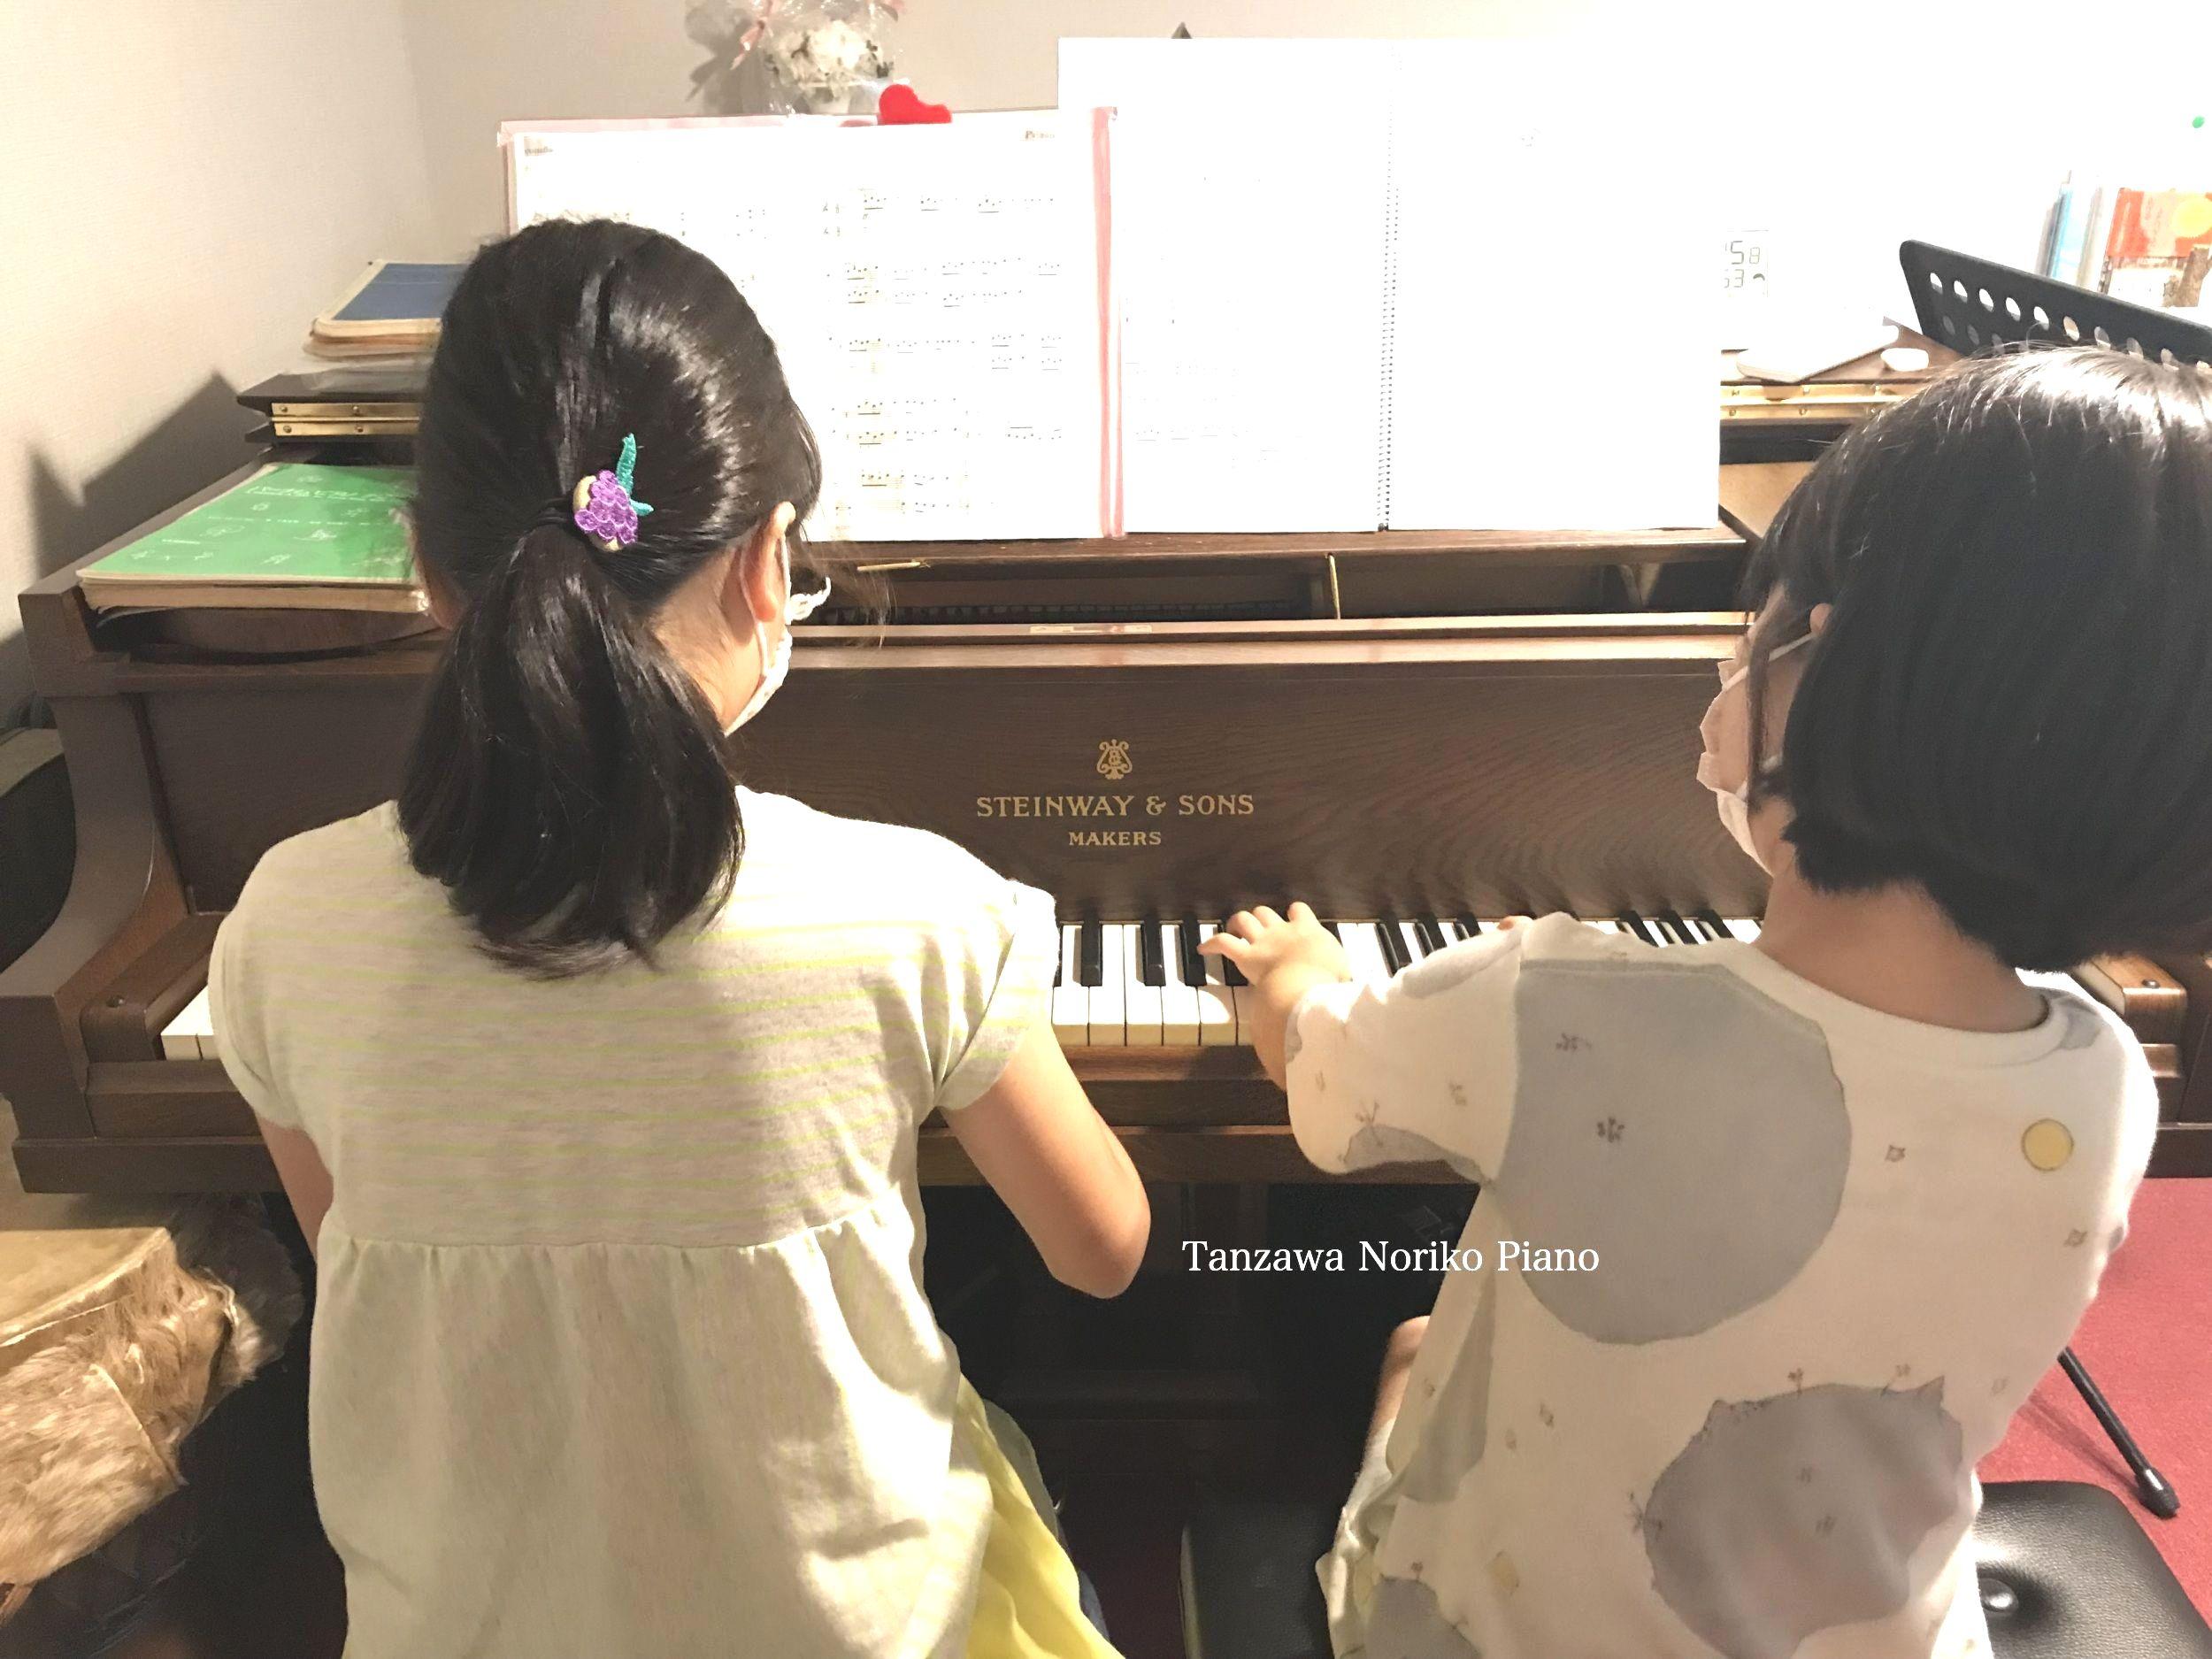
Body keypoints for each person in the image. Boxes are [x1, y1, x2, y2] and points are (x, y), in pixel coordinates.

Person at [211, 219, 1147, 1659]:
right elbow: (1102, 1250)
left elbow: (360, 1244)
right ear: (769, 562)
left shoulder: (284, 917)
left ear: (426, 572)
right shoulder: (912, 908)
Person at [1204, 349, 2212, 1659]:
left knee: (1408, 1342)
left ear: (1821, 669)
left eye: (1762, 626)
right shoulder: (2108, 1079)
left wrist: (1304, 981)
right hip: (1862, 1631)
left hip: (1493, 1635)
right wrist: (1567, 1012)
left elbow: (1330, 1090)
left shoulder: (1542, 1003)